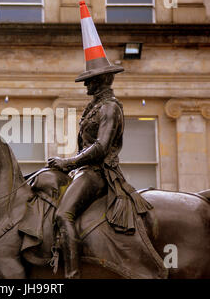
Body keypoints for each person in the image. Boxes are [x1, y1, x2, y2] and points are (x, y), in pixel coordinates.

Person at [48, 71, 152, 279]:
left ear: (102, 81)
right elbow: (86, 146)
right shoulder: (95, 107)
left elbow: (101, 147)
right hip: (83, 170)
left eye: (89, 82)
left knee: (63, 214)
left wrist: (68, 163)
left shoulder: (109, 108)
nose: (86, 86)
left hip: (98, 173)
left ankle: (73, 275)